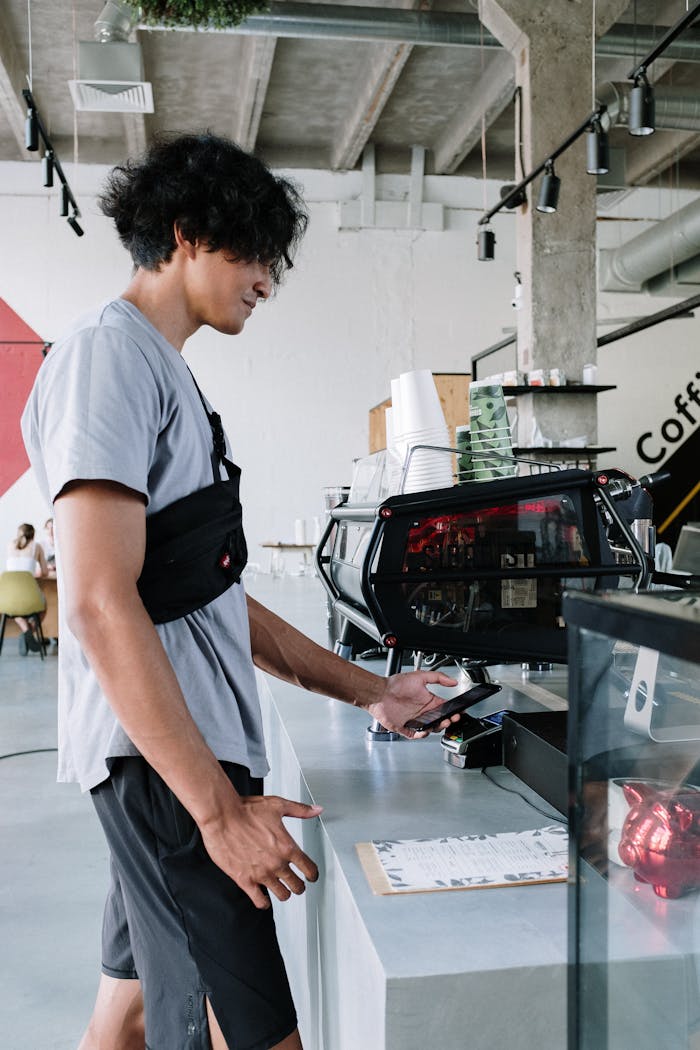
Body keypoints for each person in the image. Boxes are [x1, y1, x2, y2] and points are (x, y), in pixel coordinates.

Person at [21, 133, 459, 1050]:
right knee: (255, 1034)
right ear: (185, 234)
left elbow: (209, 603)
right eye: (253, 253)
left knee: (132, 1007)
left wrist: (374, 689)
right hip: (170, 771)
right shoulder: (110, 359)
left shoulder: (160, 370)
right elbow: (100, 602)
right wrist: (217, 812)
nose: (267, 280)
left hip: (167, 758)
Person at [6, 522, 48, 652]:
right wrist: (30, 575)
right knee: (43, 606)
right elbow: (45, 573)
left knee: (13, 609)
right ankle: (28, 631)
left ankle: (25, 632)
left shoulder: (9, 546)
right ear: (33, 534)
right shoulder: (37, 546)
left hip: (8, 598)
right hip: (30, 596)